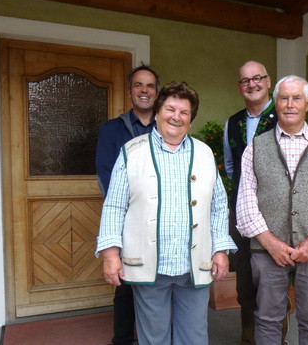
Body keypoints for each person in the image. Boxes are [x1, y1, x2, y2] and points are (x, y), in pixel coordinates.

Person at [96, 81, 237, 345]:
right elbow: (114, 205)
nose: (177, 117)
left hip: (193, 265)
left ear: (191, 121)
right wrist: (111, 254)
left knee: (194, 337)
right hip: (150, 267)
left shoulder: (204, 153)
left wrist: (220, 250)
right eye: (171, 109)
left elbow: (219, 205)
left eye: (184, 113)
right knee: (154, 337)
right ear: (158, 112)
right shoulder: (131, 151)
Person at [236, 75, 308, 345]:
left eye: (296, 98)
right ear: (275, 103)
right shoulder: (256, 147)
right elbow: (246, 198)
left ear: (307, 103)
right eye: (284, 98)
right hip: (267, 250)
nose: (290, 104)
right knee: (267, 318)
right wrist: (269, 241)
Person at [96, 62, 159, 345]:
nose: (144, 90)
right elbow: (106, 174)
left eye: (150, 86)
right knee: (125, 283)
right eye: (138, 85)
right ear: (129, 91)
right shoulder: (112, 130)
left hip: (162, 217)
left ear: (156, 93)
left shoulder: (167, 126)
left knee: (158, 278)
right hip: (125, 218)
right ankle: (122, 339)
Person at [222, 61, 281, 345]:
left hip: (277, 217)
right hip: (243, 217)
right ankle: (249, 340)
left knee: (275, 285)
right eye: (245, 80)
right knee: (246, 285)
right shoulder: (232, 123)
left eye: (257, 78)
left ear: (268, 81)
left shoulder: (285, 116)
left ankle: (276, 340)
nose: (252, 84)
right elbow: (231, 169)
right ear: (239, 87)